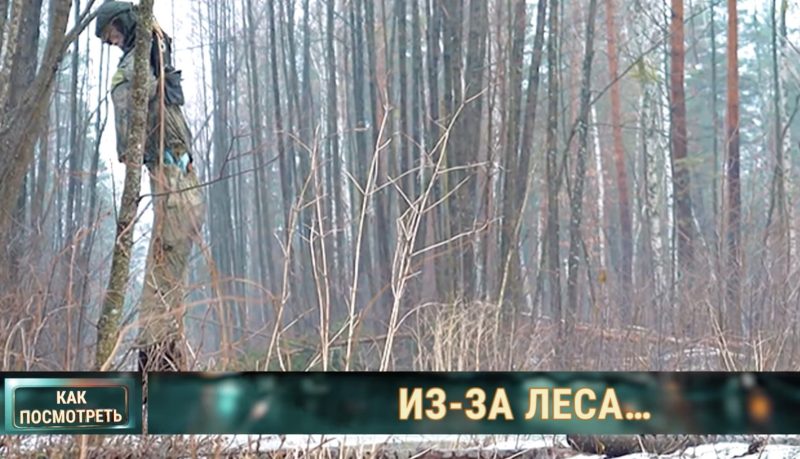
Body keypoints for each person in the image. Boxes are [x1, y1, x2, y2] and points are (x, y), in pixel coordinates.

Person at [94, 1, 204, 371]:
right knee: (166, 258)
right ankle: (156, 354)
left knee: (173, 256)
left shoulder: (150, 51)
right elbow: (124, 98)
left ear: (122, 24)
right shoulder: (133, 67)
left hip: (179, 168)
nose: (110, 42)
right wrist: (129, 150)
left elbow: (157, 44)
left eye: (110, 34)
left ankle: (165, 350)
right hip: (168, 170)